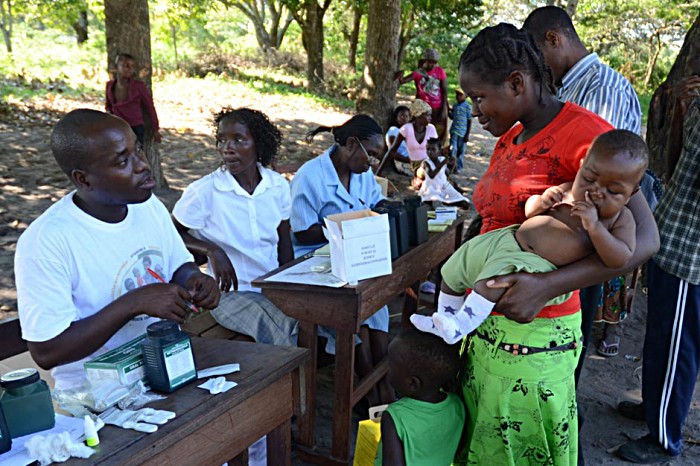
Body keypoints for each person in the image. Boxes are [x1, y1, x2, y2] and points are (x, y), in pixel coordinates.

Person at [452, 23, 658, 465]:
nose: (475, 110)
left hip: (539, 332)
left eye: (479, 97)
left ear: (517, 83)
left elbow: (645, 240)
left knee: (529, 447)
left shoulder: (587, 136)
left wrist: (547, 285)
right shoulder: (511, 136)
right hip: (491, 325)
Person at [14, 109, 220, 390]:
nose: (142, 166)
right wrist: (134, 303)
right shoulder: (46, 242)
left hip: (167, 369)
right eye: (123, 161)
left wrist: (195, 280)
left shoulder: (147, 205)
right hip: (98, 398)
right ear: (83, 179)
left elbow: (178, 266)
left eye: (138, 150)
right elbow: (47, 352)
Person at [412, 130, 648, 344]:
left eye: (613, 191)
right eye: (588, 179)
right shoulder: (567, 189)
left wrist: (595, 227)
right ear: (582, 166)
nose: (596, 191)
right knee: (456, 265)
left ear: (632, 193)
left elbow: (620, 257)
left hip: (537, 264)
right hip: (510, 239)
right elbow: (530, 212)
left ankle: (459, 327)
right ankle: (444, 317)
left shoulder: (620, 219)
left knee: (491, 282)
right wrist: (542, 201)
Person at [524, 5, 644, 360]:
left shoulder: (601, 88)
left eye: (537, 55)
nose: (536, 66)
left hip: (586, 239)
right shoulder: (569, 87)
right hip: (566, 232)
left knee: (565, 349)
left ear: (553, 39)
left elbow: (598, 181)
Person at [617, 44, 700, 464]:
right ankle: (655, 407)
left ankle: (664, 437)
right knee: (660, 335)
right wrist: (683, 112)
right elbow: (676, 167)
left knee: (676, 345)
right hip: (672, 235)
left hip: (692, 254)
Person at [290, 114, 394, 406]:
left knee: (376, 304)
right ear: (351, 144)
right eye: (370, 155)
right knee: (353, 311)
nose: (372, 163)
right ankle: (370, 392)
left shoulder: (362, 175)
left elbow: (374, 203)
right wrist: (344, 226)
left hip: (355, 256)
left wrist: (382, 209)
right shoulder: (310, 176)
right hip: (314, 260)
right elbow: (302, 232)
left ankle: (381, 384)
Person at [172, 107, 298, 347]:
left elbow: (284, 240)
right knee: (281, 327)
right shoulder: (205, 191)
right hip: (230, 295)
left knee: (323, 317)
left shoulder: (277, 186)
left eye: (239, 140)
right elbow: (171, 233)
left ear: (258, 144)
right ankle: (296, 382)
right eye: (221, 141)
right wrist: (212, 251)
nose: (227, 148)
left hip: (272, 287)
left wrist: (289, 284)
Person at [375, 328, 465, 466]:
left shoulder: (395, 416)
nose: (388, 371)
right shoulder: (456, 404)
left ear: (412, 383)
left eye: (391, 367)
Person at [105, 53, 162, 146]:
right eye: (125, 65)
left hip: (135, 128)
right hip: (117, 127)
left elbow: (149, 107)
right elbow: (108, 106)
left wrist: (155, 129)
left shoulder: (138, 86)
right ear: (116, 67)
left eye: (132, 66)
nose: (129, 69)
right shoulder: (110, 86)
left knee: (134, 157)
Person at [380, 99, 438, 184]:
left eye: (406, 116)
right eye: (427, 115)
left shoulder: (431, 128)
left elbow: (437, 148)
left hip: (426, 163)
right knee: (426, 175)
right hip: (411, 164)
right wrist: (379, 172)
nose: (430, 118)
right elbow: (392, 151)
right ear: (418, 115)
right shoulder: (404, 129)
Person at [396, 49, 449, 138]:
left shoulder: (439, 71)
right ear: (425, 61)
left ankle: (436, 147)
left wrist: (444, 109)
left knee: (438, 130)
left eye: (435, 62)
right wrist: (400, 74)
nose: (433, 65)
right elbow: (403, 81)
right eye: (430, 62)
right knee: (424, 128)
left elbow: (445, 91)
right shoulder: (418, 73)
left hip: (438, 107)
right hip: (424, 108)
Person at [417, 138, 469, 207]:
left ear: (439, 151)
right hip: (431, 188)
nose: (430, 152)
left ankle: (454, 202)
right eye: (428, 149)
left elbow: (447, 172)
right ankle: (439, 203)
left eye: (433, 149)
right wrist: (442, 163)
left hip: (444, 186)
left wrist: (452, 164)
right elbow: (431, 175)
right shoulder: (426, 163)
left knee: (459, 197)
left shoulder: (442, 159)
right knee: (434, 198)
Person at [448, 89, 472, 173]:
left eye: (460, 95)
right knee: (453, 149)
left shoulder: (468, 107)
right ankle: (452, 166)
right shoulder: (455, 106)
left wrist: (467, 135)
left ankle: (458, 167)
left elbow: (469, 121)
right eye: (457, 95)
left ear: (466, 96)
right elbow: (452, 117)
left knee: (461, 151)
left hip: (463, 133)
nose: (457, 96)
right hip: (454, 130)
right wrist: (448, 109)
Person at [385, 105, 412, 176]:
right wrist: (408, 160)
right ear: (396, 118)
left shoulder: (407, 131)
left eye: (407, 116)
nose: (404, 119)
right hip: (403, 163)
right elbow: (392, 152)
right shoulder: (393, 130)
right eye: (401, 116)